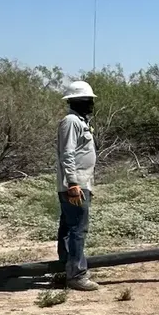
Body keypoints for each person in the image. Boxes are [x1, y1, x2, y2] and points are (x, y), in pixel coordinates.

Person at [55, 80, 99, 291]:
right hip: (75, 186)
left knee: (69, 227)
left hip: (81, 184)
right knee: (77, 230)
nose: (91, 103)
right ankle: (76, 275)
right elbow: (68, 154)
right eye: (87, 99)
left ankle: (66, 268)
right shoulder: (71, 122)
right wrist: (73, 183)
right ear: (77, 101)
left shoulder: (80, 121)